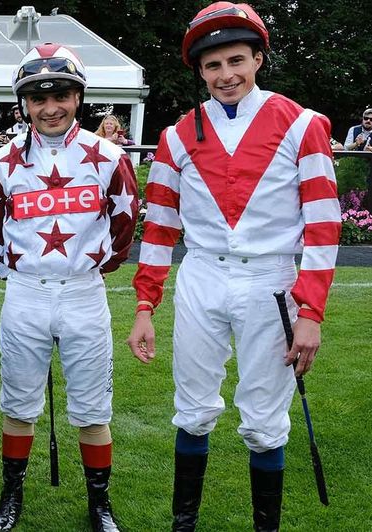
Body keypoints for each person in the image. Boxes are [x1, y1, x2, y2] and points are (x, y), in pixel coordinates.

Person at [126, 4, 340, 531]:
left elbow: (323, 226)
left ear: (259, 59)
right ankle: (184, 524)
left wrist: (310, 312)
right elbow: (158, 228)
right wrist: (145, 304)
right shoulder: (176, 134)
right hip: (201, 275)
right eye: (213, 65)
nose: (226, 76)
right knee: (193, 407)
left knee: (266, 420)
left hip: (271, 280)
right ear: (199, 71)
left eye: (237, 60)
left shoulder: (304, 124)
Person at [0, 43, 138, 532]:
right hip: (25, 293)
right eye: (37, 98)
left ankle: (100, 504)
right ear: (23, 104)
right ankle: (11, 494)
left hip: (84, 293)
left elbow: (125, 219)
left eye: (60, 95)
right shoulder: (3, 162)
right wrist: (10, 270)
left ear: (77, 97)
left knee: (91, 407)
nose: (50, 107)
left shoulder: (108, 156)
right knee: (18, 402)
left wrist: (95, 266)